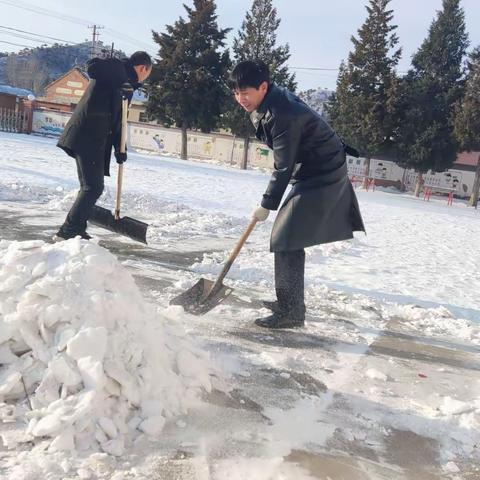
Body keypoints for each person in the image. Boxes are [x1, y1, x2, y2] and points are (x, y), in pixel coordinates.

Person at [229, 60, 365, 329]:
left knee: (286, 236)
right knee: (288, 237)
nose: (240, 99)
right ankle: (289, 304)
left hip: (322, 172)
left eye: (245, 92)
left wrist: (267, 203)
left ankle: (291, 311)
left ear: (263, 87)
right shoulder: (268, 104)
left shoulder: (282, 113)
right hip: (311, 170)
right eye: (236, 93)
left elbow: (283, 165)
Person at [54, 51, 152, 240]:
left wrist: (119, 148)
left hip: (95, 139)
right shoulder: (116, 69)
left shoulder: (127, 88)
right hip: (86, 135)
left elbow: (119, 121)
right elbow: (93, 67)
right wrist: (124, 81)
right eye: (148, 73)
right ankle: (67, 231)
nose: (147, 77)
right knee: (93, 187)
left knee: (89, 187)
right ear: (142, 68)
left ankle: (77, 228)